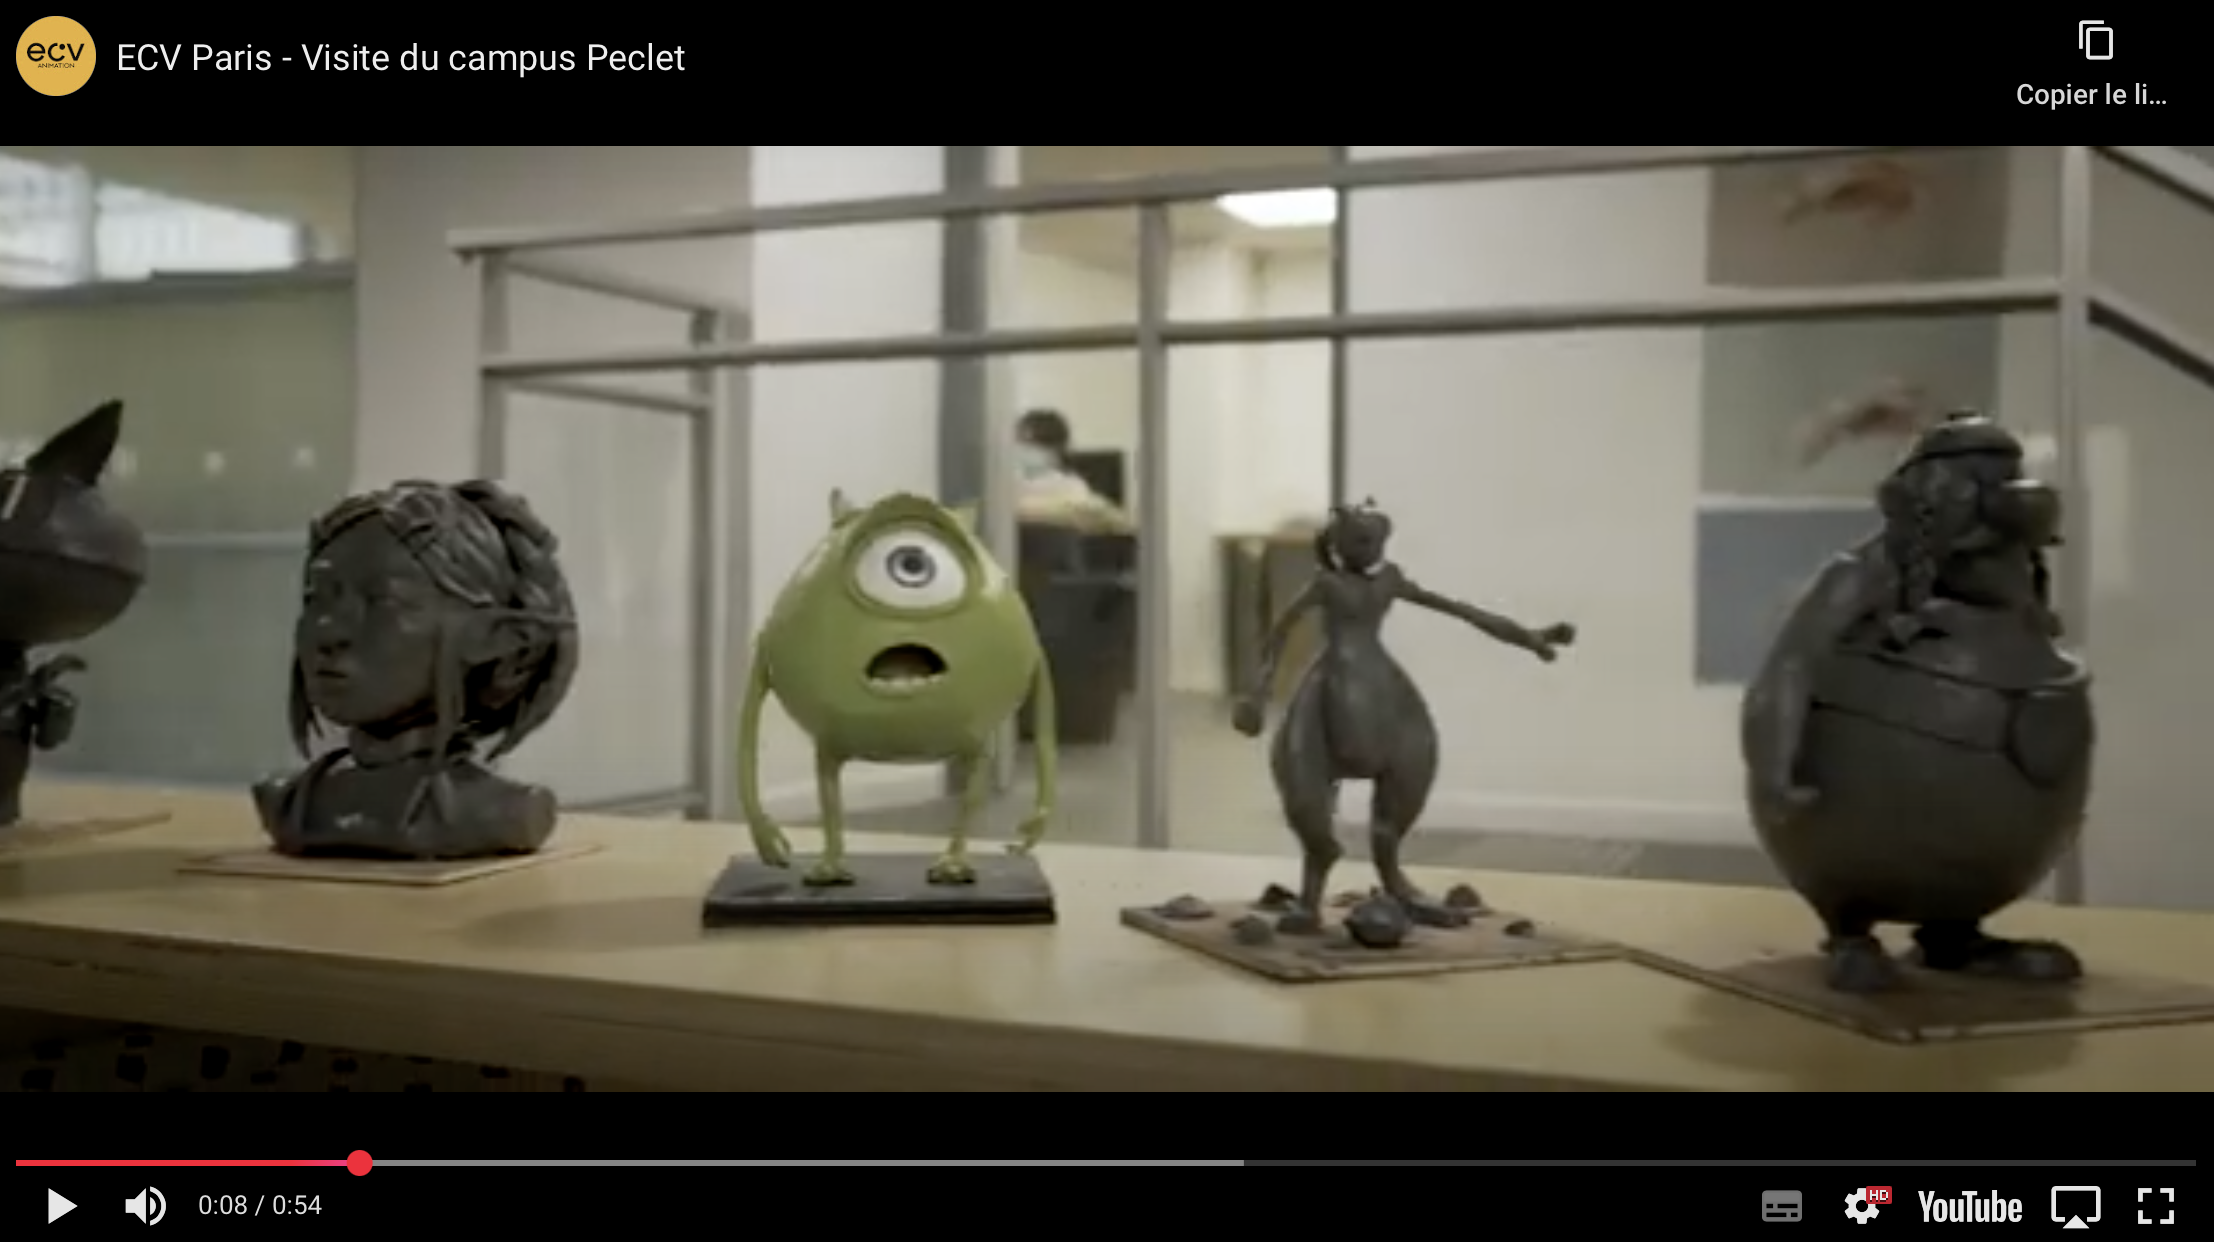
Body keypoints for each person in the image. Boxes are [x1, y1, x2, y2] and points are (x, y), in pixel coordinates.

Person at [1014, 408, 1131, 532]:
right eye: (1020, 442)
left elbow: (1101, 515)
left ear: (1058, 449)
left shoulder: (1070, 484)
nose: (1024, 450)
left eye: (1033, 444)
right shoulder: (1010, 483)